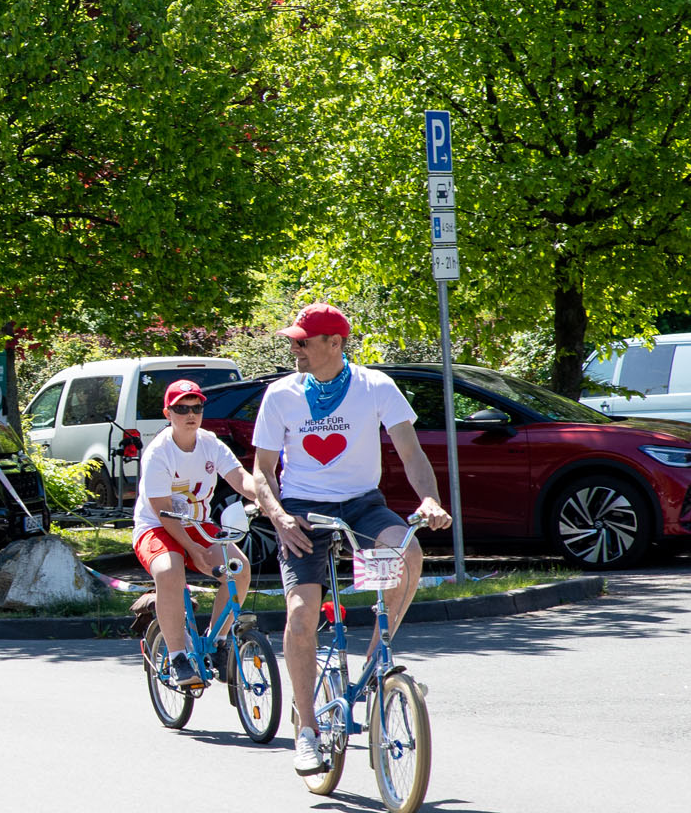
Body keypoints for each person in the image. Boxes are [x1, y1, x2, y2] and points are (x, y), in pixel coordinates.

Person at [250, 302, 452, 776]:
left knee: (408, 551)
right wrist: (278, 517)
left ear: (334, 344)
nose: (294, 348)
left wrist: (430, 500)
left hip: (361, 503)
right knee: (301, 614)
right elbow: (261, 471)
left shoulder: (375, 387)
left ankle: (376, 664)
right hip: (302, 510)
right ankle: (306, 732)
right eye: (293, 340)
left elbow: (412, 453)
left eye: (303, 341)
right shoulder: (281, 395)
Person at [131, 379, 260, 689]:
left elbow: (240, 477)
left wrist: (262, 497)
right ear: (168, 413)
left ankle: (216, 643)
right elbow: (162, 511)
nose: (191, 414)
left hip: (197, 524)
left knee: (239, 570)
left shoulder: (210, 443)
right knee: (169, 569)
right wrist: (194, 551)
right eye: (182, 408)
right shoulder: (159, 452)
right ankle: (177, 656)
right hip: (157, 526)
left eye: (197, 407)